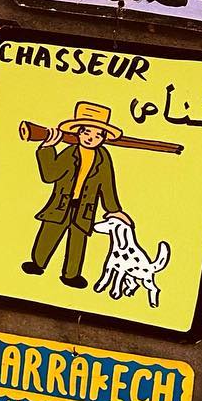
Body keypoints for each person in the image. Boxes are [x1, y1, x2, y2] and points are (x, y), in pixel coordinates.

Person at [23, 104, 132, 291]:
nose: (91, 138)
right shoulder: (70, 152)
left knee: (77, 242)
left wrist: (115, 211)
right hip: (61, 204)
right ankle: (37, 263)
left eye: (98, 135)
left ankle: (71, 275)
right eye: (87, 132)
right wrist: (47, 148)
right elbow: (50, 175)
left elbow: (107, 185)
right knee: (49, 234)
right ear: (78, 133)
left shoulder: (103, 158)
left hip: (85, 208)